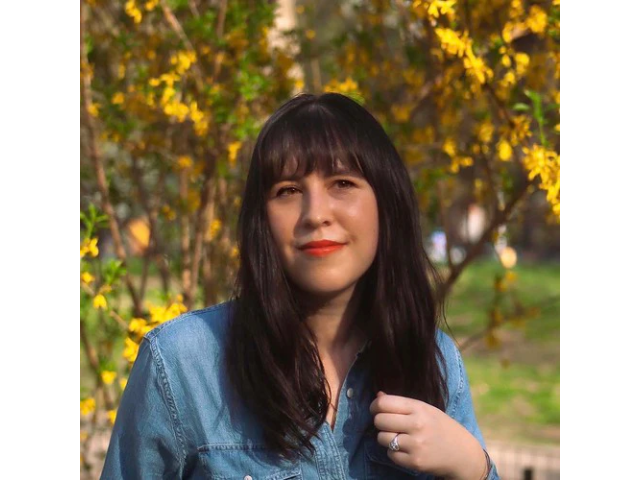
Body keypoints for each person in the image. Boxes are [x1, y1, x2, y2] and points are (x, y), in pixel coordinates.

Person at [101, 93, 499, 479]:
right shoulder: (181, 364)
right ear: (261, 219)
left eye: (342, 183)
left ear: (386, 203)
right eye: (288, 191)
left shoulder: (432, 358)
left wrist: (472, 468)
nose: (316, 214)